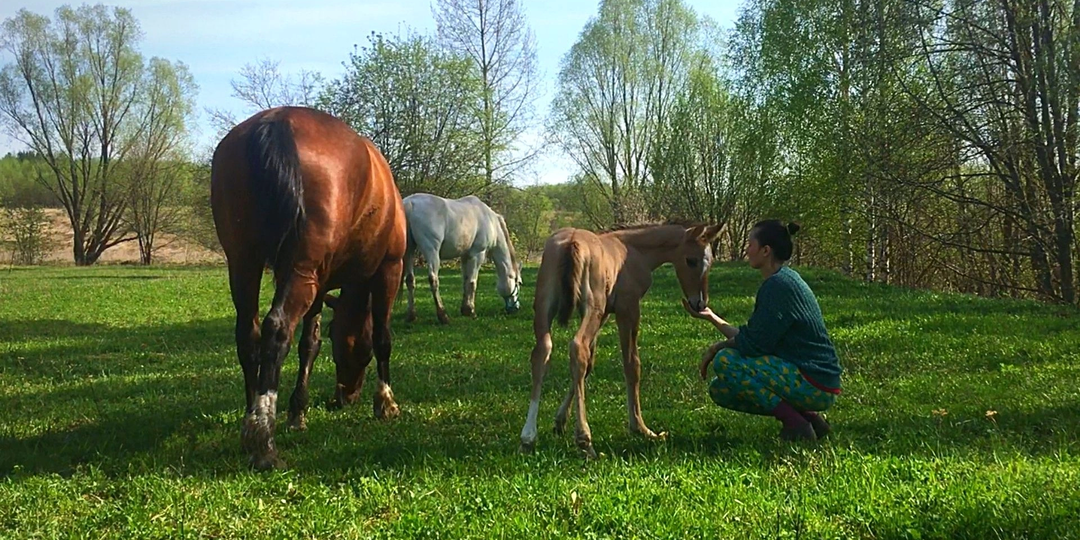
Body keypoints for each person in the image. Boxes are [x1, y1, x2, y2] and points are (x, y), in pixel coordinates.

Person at [684, 220, 841, 441]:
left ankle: (797, 425)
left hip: (814, 382)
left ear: (766, 251)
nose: (747, 250)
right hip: (814, 381)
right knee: (721, 389)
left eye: (750, 244)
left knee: (725, 361)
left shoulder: (778, 286)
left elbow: (753, 345)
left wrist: (715, 349)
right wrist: (711, 317)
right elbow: (753, 339)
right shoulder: (783, 280)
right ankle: (812, 420)